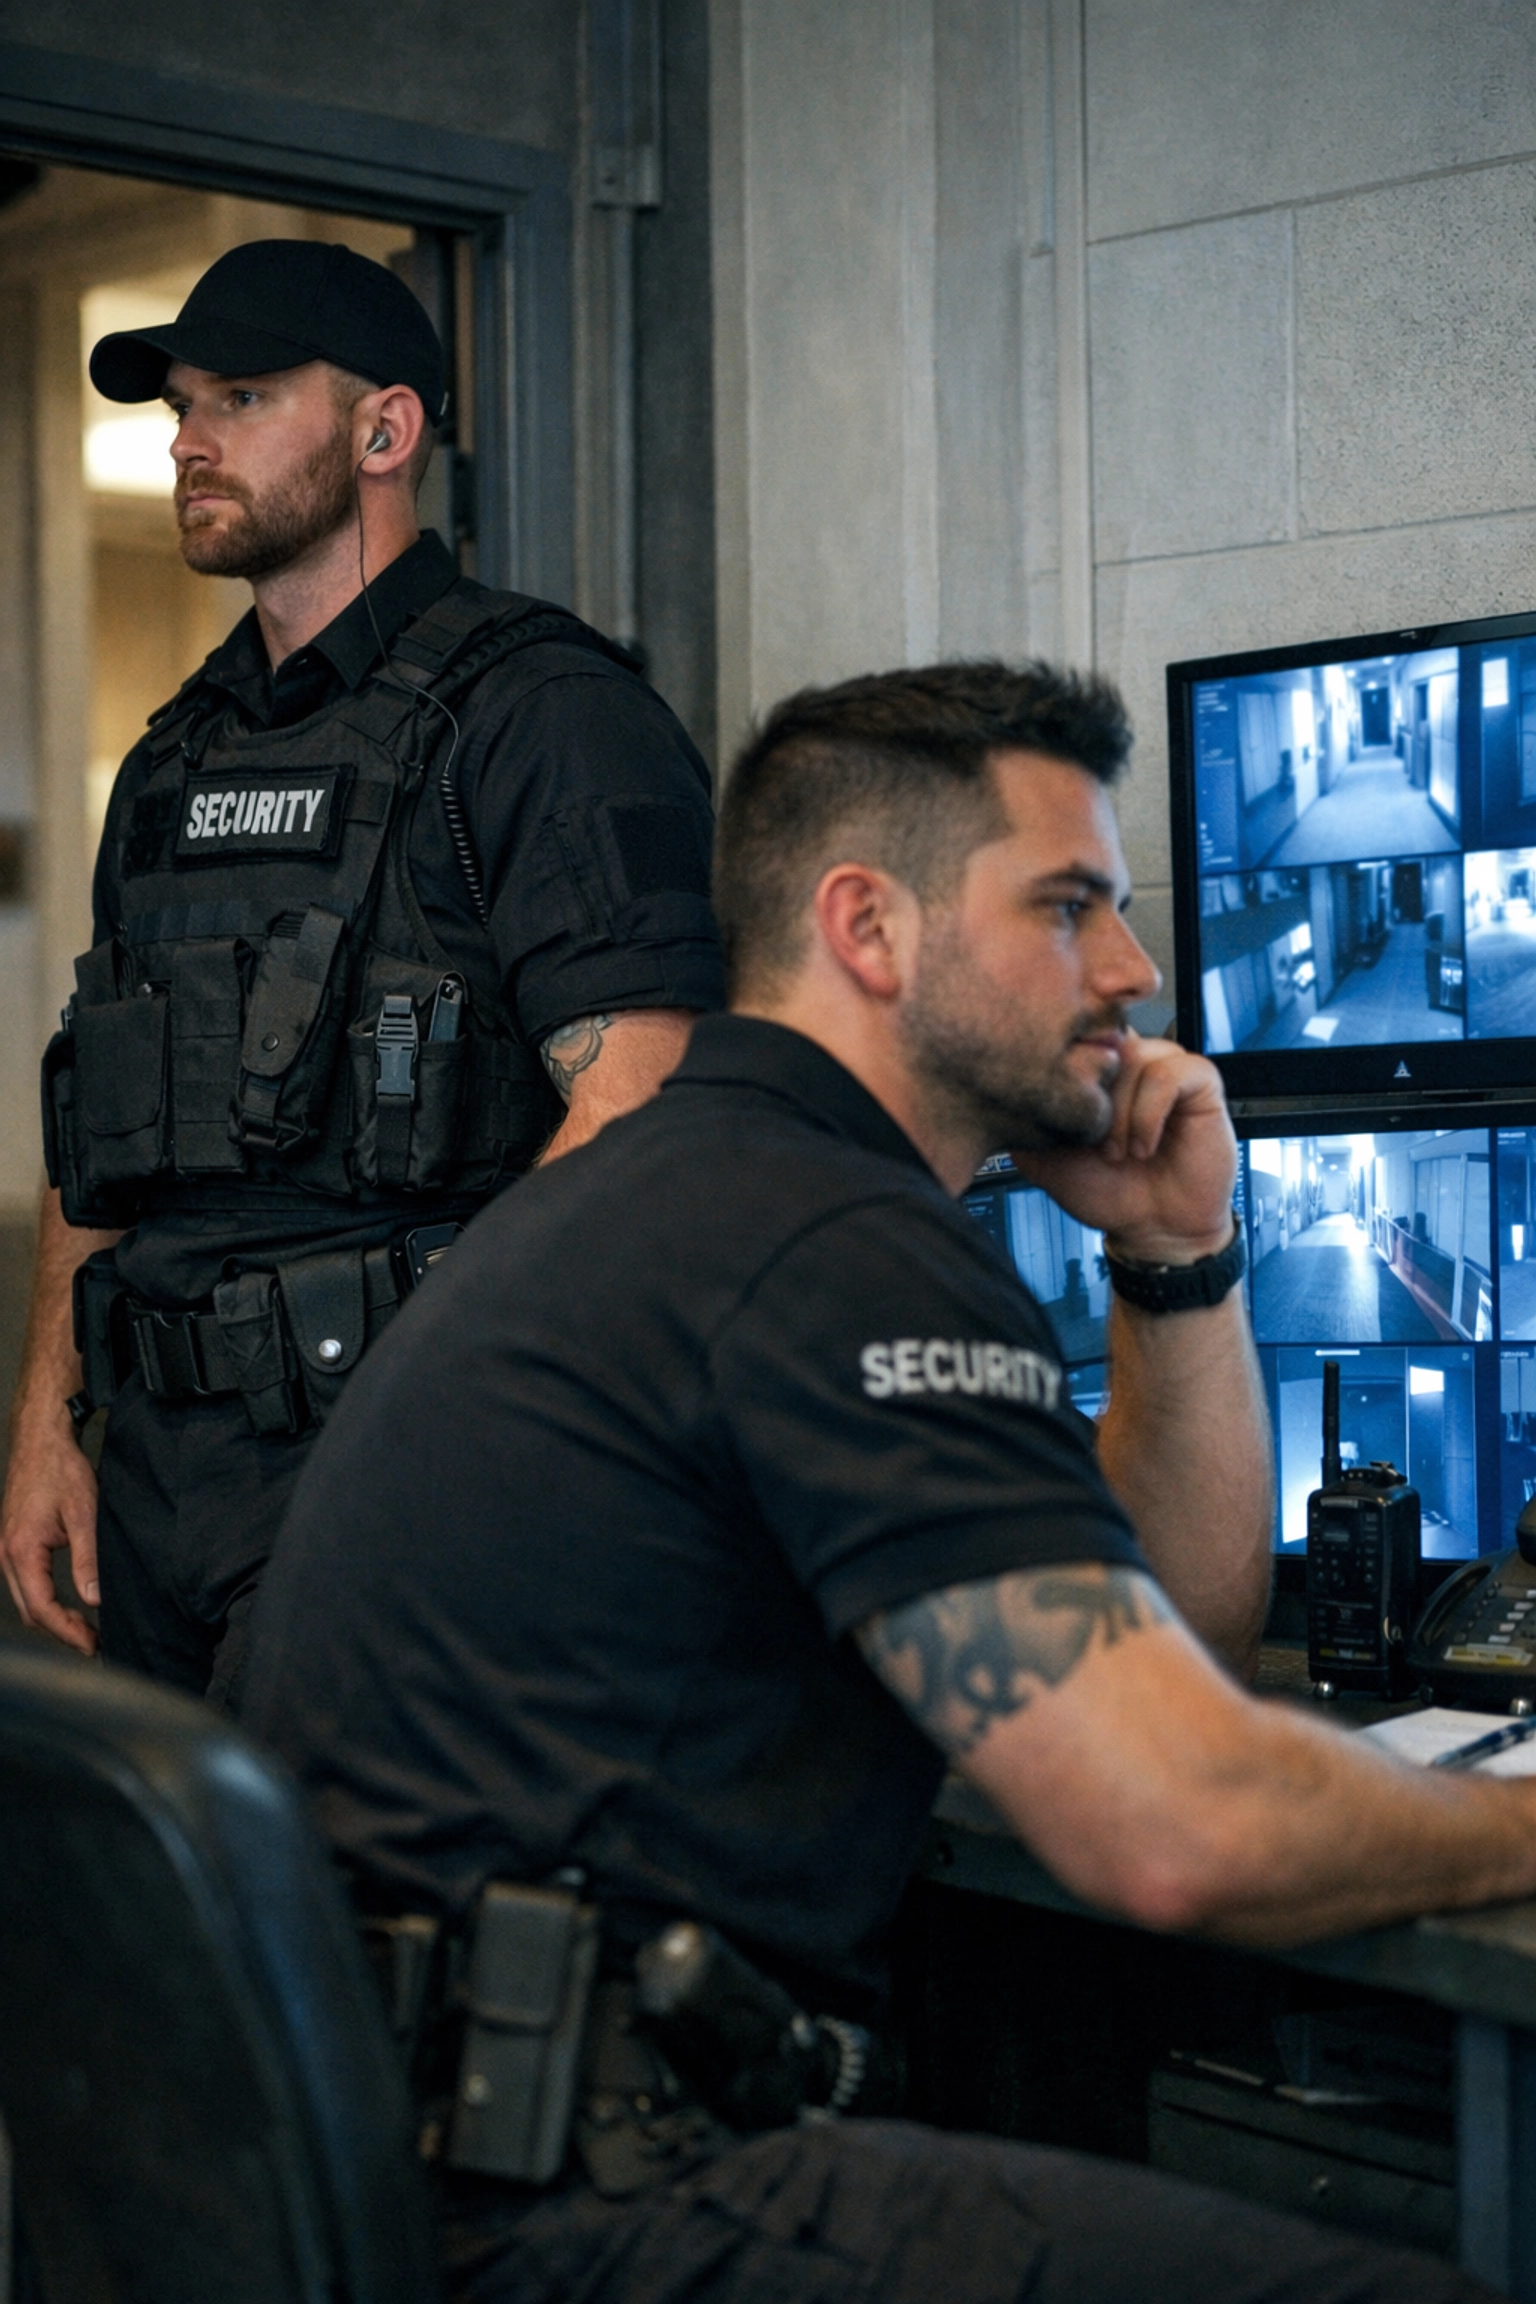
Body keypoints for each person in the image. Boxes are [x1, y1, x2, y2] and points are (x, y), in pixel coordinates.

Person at [240, 662, 1511, 2303]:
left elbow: (1167, 1641)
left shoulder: (692, 1191)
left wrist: (1178, 1255)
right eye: (1070, 909)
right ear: (869, 927)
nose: (1133, 972)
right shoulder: (829, 1246)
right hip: (556, 2205)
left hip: (378, 2166)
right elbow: (1175, 1827)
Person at [0, 238, 721, 1707]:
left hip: (398, 1473)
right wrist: (44, 1425)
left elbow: (643, 1126)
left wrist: (452, 1436)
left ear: (384, 432)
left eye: (243, 398)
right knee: (154, 1926)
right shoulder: (173, 756)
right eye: (181, 407)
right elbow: (102, 1131)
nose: (192, 440)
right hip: (154, 1481)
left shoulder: (542, 717)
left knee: (344, 1925)